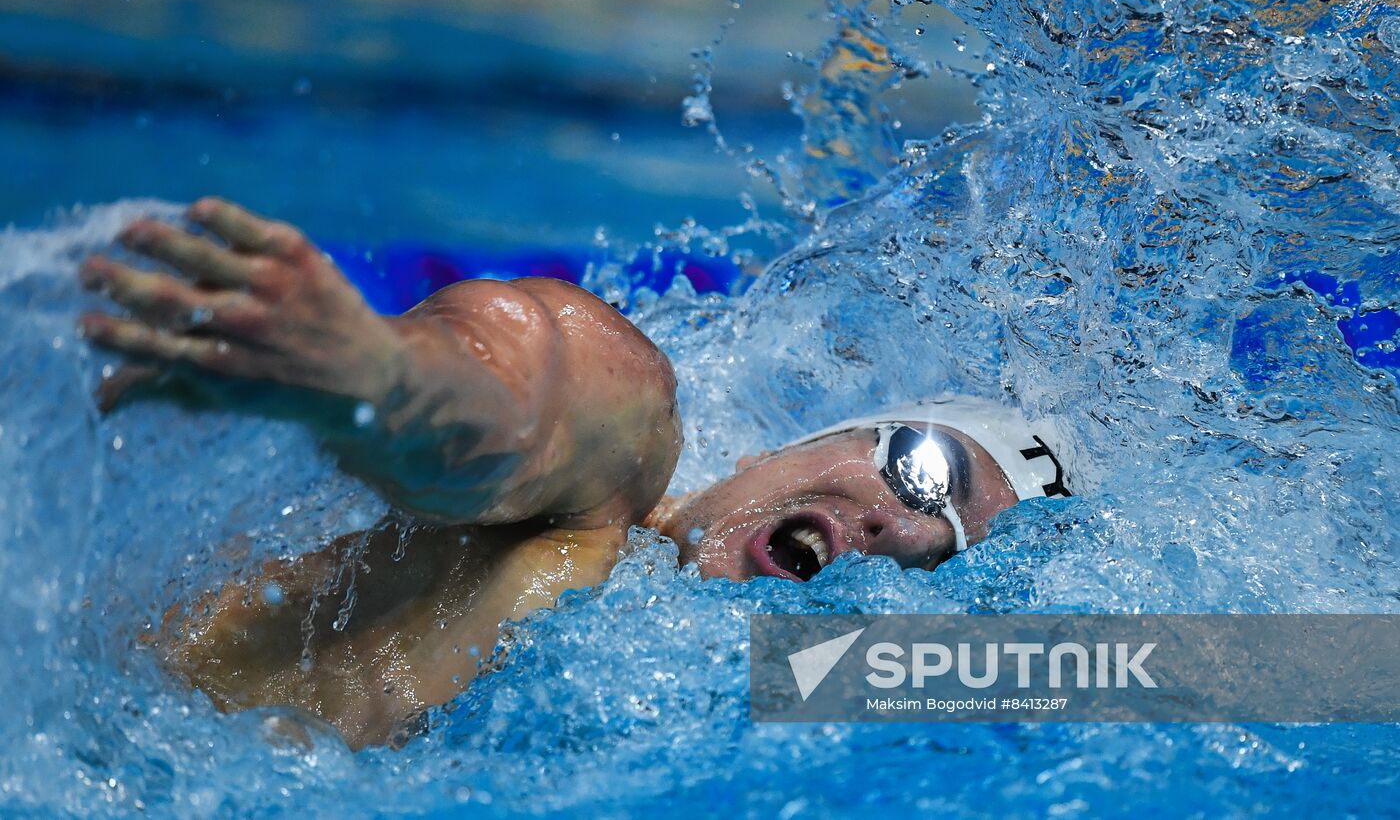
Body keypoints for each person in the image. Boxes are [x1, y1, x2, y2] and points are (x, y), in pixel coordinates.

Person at [79, 198, 1073, 748]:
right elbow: (524, 394)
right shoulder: (609, 491)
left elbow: (1197, 668)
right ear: (778, 449)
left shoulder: (763, 694)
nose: (903, 528)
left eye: (938, 559)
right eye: (921, 466)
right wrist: (371, 375)